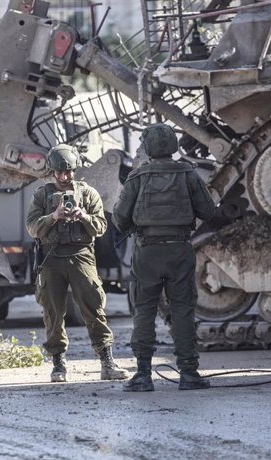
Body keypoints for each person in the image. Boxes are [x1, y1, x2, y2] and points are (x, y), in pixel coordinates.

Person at [112, 123, 215, 391]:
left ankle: (143, 376)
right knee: (182, 310)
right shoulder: (189, 174)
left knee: (144, 310)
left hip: (147, 252)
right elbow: (209, 211)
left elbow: (120, 220)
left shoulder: (137, 177)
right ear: (173, 145)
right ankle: (189, 374)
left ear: (147, 147)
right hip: (180, 250)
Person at [26, 144, 130, 383]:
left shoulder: (88, 193)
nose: (65, 177)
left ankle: (107, 362)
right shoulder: (42, 195)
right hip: (51, 257)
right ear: (52, 172)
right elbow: (32, 227)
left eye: (69, 172)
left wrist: (83, 216)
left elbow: (102, 227)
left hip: (81, 255)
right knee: (53, 312)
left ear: (75, 170)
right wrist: (54, 216)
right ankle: (58, 364)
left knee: (94, 308)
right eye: (60, 173)